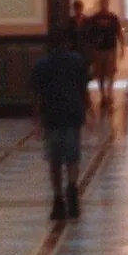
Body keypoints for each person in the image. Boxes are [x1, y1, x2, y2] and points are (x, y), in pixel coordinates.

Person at [31, 22, 90, 221]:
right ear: (67, 41)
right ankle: (72, 187)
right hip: (73, 113)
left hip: (52, 115)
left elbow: (38, 95)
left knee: (54, 159)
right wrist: (88, 109)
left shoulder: (41, 65)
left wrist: (37, 119)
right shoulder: (77, 61)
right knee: (72, 156)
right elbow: (83, 88)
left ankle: (57, 199)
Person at [82, 0, 123, 116]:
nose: (104, 4)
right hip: (98, 50)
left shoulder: (113, 17)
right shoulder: (94, 18)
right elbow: (88, 34)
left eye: (106, 2)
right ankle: (103, 94)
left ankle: (109, 93)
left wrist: (122, 46)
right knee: (100, 74)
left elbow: (118, 31)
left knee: (110, 73)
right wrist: (91, 47)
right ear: (100, 4)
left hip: (110, 48)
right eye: (103, 2)